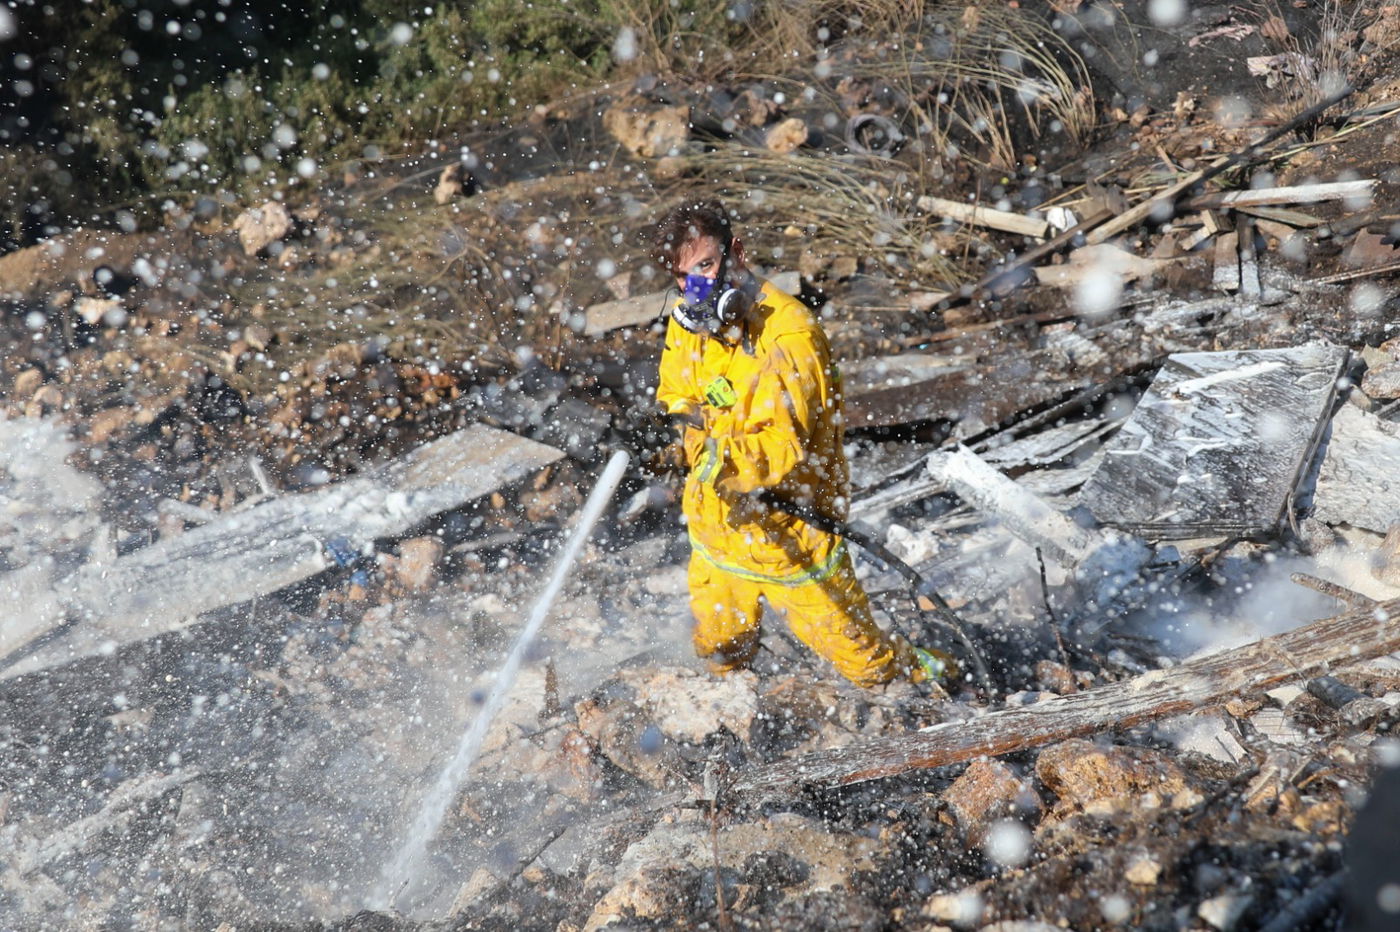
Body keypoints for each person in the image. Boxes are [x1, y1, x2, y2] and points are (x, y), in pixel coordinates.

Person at [651, 199, 949, 691]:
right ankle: (741, 723)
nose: (696, 287)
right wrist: (668, 432)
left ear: (736, 252)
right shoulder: (693, 329)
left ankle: (941, 674)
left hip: (795, 533)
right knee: (720, 652)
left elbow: (781, 451)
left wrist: (711, 461)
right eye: (684, 277)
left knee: (869, 667)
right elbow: (677, 393)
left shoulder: (790, 335)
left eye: (705, 265)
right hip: (719, 532)